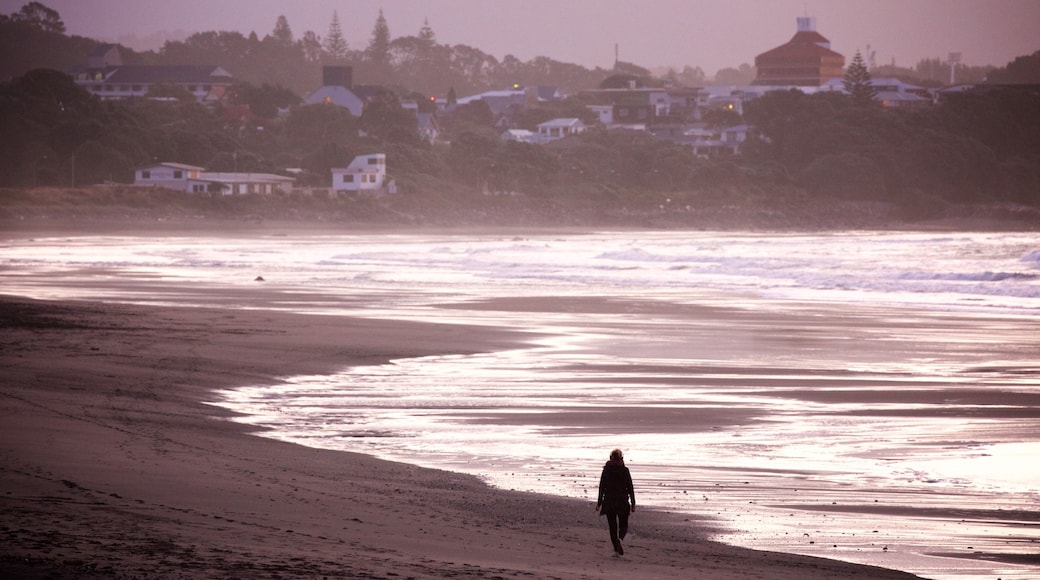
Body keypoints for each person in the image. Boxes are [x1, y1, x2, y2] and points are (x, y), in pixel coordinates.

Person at [595, 448, 635, 556]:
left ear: (610, 459)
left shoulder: (606, 470)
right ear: (621, 459)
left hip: (609, 501)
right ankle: (620, 540)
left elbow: (601, 487)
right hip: (622, 501)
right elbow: (630, 487)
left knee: (612, 527)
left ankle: (616, 550)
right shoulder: (625, 471)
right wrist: (633, 503)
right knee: (623, 525)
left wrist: (599, 503)